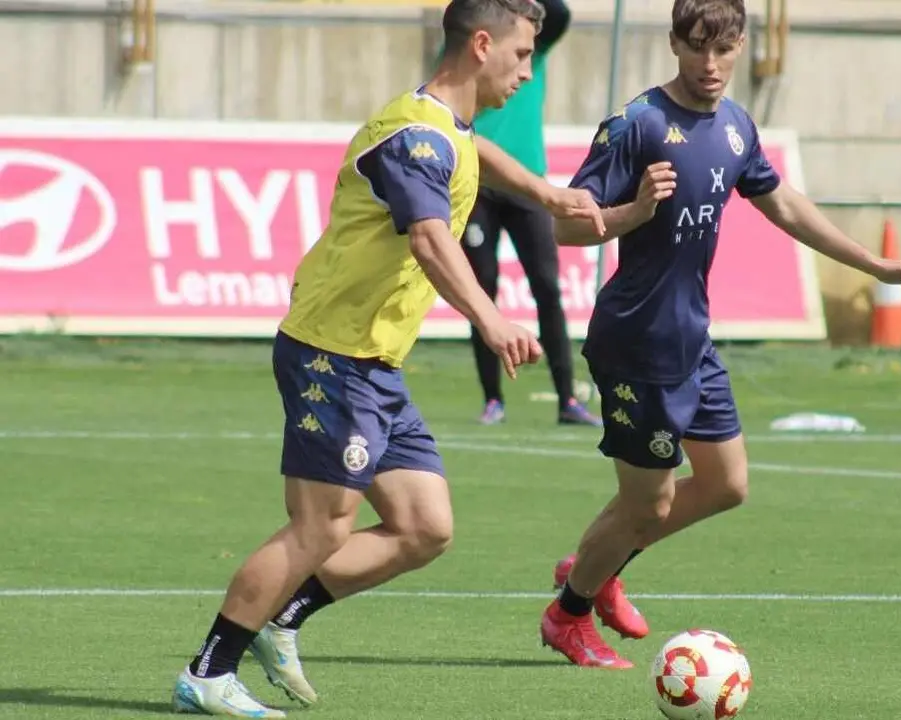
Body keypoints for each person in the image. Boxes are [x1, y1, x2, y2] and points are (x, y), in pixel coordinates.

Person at [169, 1, 606, 715]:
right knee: (322, 527)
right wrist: (491, 318)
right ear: (482, 45)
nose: (529, 70)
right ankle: (207, 671)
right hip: (331, 353)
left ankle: (282, 617)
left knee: (424, 526)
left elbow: (478, 155)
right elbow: (432, 241)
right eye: (523, 55)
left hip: (374, 362)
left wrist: (546, 191)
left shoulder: (447, 126)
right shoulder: (415, 139)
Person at [537, 0, 901, 669]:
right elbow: (566, 224)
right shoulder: (638, 125)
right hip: (638, 344)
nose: (711, 64)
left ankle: (598, 559)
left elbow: (782, 203)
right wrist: (634, 211)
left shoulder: (734, 125)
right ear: (674, 43)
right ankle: (569, 614)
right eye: (698, 47)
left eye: (725, 48)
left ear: (741, 46)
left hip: (691, 342)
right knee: (650, 500)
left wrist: (875, 265)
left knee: (726, 484)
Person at [462, 0, 601, 427]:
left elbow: (558, 15)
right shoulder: (469, 52)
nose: (520, 70)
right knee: (482, 291)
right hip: (478, 185)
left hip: (527, 184)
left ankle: (568, 400)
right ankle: (493, 400)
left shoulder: (528, 49)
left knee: (546, 286)